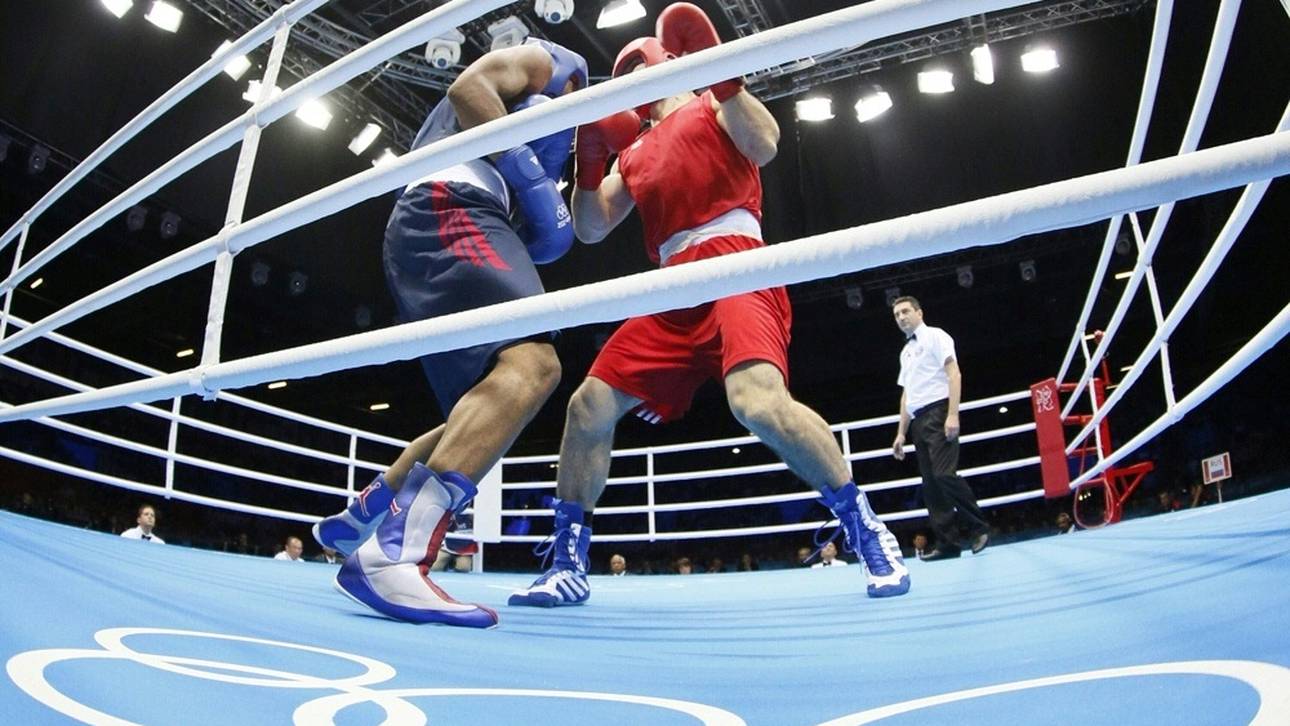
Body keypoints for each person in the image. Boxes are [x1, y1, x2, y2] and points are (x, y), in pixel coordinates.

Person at [509, 3, 908, 608]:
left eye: (637, 65)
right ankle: (568, 560)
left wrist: (723, 76)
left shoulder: (713, 106)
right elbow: (589, 228)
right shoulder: (632, 152)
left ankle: (865, 528)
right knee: (588, 404)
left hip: (735, 258)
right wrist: (589, 163)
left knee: (756, 404)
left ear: (667, 63)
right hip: (671, 283)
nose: (632, 77)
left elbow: (767, 142)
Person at [309, 39, 588, 628]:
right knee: (535, 365)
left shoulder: (566, 138)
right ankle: (393, 555)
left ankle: (372, 507)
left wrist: (539, 191)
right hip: (451, 202)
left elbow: (561, 233)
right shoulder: (552, 63)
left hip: (445, 216)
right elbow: (467, 89)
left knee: (489, 402)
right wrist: (531, 182)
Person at [890, 296, 990, 561]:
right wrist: (901, 432)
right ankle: (948, 544)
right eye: (897, 314)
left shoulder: (936, 336)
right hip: (918, 419)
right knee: (931, 484)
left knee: (945, 474)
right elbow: (906, 395)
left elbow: (954, 374)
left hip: (939, 410)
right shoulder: (905, 352)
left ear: (919, 313)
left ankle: (979, 528)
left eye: (905, 311)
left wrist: (953, 413)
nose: (901, 317)